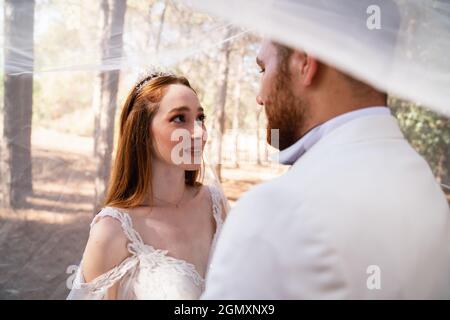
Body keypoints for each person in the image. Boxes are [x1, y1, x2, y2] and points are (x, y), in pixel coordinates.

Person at [201, 39, 450, 299]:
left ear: (305, 63)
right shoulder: (425, 182)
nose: (260, 97)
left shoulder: (276, 208)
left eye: (263, 69)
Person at [68, 72, 228, 300]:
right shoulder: (112, 231)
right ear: (142, 131)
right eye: (180, 118)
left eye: (200, 118)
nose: (200, 133)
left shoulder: (214, 202)